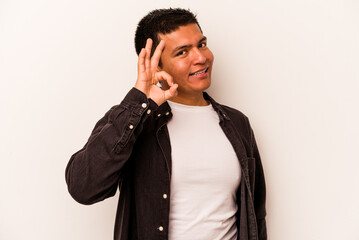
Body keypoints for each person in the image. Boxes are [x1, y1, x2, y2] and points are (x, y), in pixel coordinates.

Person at [65, 8, 267, 240]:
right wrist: (139, 99)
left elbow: (256, 215)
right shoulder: (136, 121)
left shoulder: (237, 124)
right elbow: (83, 188)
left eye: (201, 44)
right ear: (156, 65)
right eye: (182, 52)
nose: (201, 57)